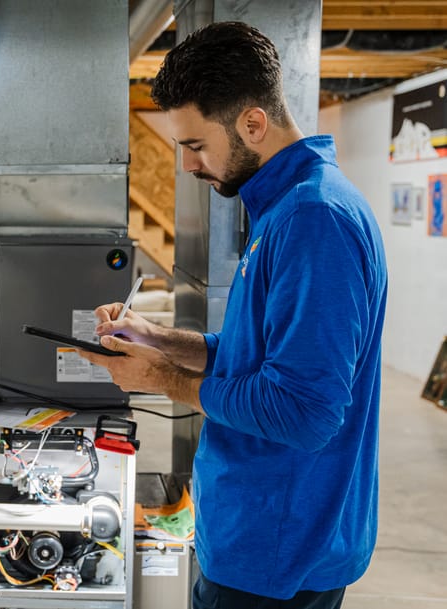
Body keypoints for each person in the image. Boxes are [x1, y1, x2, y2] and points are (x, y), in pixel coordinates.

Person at [76, 22, 388, 609]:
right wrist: (158, 339)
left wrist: (162, 382)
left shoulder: (313, 221)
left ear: (252, 122)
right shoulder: (285, 208)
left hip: (277, 552)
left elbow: (303, 411)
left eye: (196, 144)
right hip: (258, 535)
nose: (190, 165)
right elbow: (259, 358)